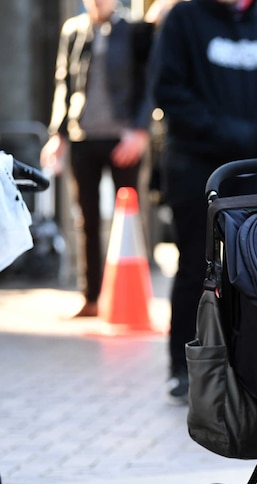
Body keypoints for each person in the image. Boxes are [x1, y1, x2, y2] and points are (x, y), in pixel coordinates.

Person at [151, 0, 257, 404]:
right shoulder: (183, 19)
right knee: (196, 267)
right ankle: (185, 367)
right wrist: (225, 132)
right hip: (196, 166)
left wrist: (255, 131)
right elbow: (168, 90)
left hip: (254, 163)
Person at [41, 0, 153, 318]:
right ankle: (91, 297)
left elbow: (149, 82)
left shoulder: (133, 30)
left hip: (123, 139)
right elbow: (63, 84)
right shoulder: (73, 30)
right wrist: (57, 134)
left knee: (130, 217)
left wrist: (140, 130)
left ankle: (133, 300)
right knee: (86, 219)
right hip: (83, 137)